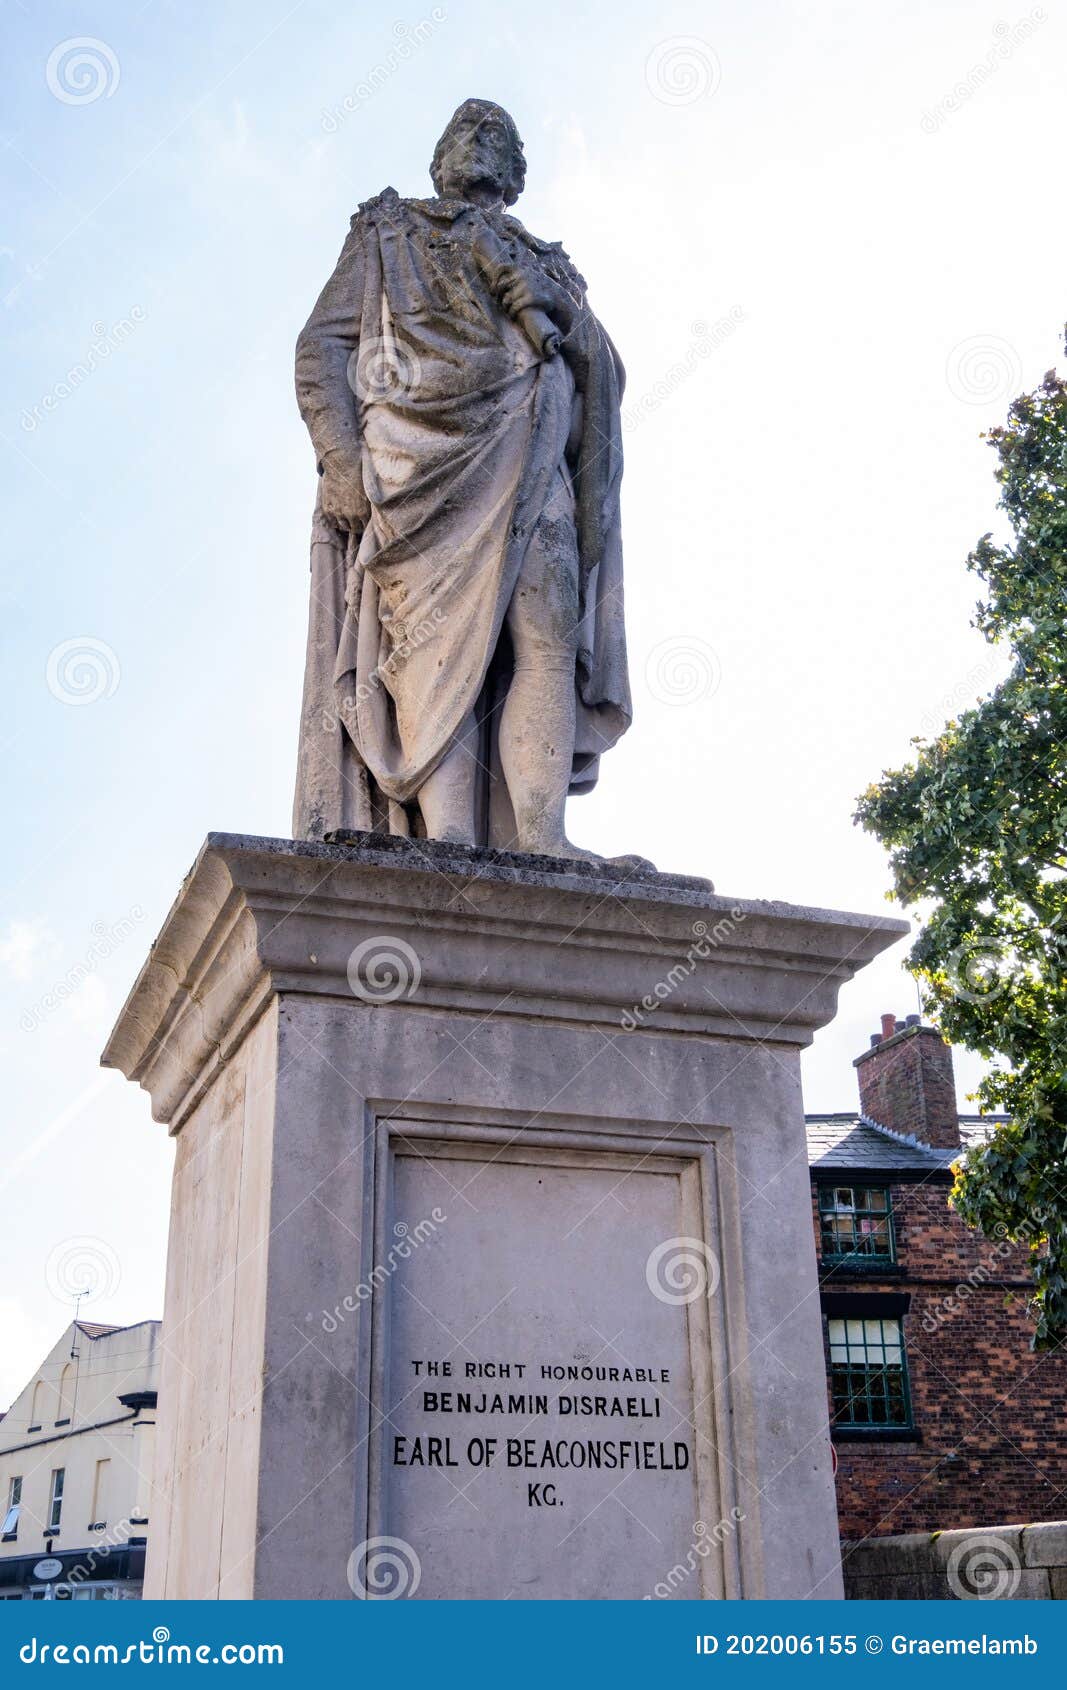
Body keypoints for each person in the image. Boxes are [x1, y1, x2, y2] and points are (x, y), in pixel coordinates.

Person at [293, 98, 637, 861]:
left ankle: (544, 837)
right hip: (415, 461)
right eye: (463, 130)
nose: (477, 141)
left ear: (515, 172)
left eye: (497, 136)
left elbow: (601, 368)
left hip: (531, 448)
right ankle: (448, 833)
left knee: (545, 630)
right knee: (435, 640)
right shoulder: (388, 231)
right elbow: (322, 345)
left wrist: (563, 315)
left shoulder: (548, 266)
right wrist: (341, 459)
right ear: (438, 158)